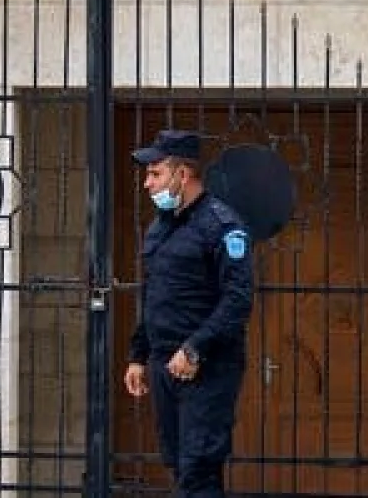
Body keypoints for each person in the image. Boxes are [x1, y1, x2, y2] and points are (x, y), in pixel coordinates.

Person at [123, 130, 255, 498]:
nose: (148, 184)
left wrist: (195, 348)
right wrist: (138, 354)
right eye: (147, 175)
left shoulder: (222, 225)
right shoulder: (161, 226)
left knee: (198, 471)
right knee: (181, 466)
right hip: (165, 364)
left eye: (156, 174)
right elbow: (154, 293)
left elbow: (237, 300)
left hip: (207, 368)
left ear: (183, 174)